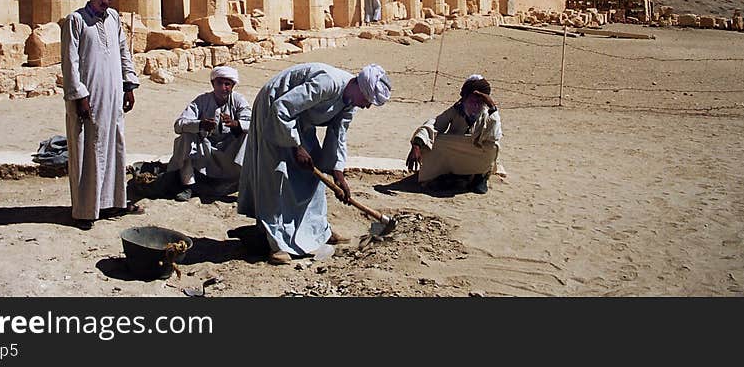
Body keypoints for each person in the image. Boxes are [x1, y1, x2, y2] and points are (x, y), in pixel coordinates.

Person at [238, 62, 392, 265]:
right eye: (367, 100)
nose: (367, 106)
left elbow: (338, 135)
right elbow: (282, 107)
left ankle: (318, 231)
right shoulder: (327, 83)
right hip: (273, 111)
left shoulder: (350, 103)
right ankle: (276, 244)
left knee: (313, 174)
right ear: (358, 86)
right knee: (278, 176)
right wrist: (296, 147)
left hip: (299, 119)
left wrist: (338, 174)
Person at [61, 0, 142, 230]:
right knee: (88, 148)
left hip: (113, 94)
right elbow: (70, 62)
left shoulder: (114, 18)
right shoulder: (76, 20)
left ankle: (114, 203)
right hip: (89, 97)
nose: (105, 1)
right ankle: (85, 210)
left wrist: (128, 84)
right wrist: (79, 95)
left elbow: (122, 52)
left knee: (114, 146)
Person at [405, 75, 502, 194]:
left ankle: (480, 176)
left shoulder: (489, 114)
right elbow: (434, 125)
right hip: (457, 156)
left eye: (480, 101)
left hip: (477, 155)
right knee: (432, 142)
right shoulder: (456, 110)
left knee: (492, 146)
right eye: (472, 100)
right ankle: (456, 175)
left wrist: (492, 107)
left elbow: (494, 135)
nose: (476, 105)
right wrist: (417, 144)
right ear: (465, 98)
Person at [166, 65, 251, 201]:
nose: (223, 87)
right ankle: (188, 185)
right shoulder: (201, 101)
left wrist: (237, 124)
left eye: (227, 84)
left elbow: (253, 123)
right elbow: (178, 125)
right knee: (186, 136)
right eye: (219, 83)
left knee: (248, 136)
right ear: (213, 83)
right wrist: (200, 124)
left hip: (229, 150)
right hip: (206, 150)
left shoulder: (238, 100)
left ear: (233, 86)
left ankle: (246, 183)